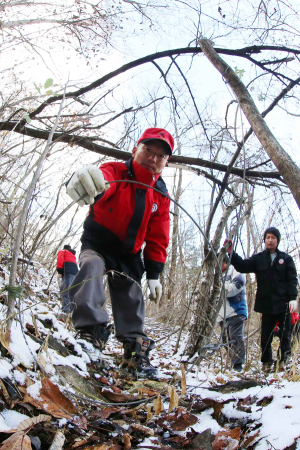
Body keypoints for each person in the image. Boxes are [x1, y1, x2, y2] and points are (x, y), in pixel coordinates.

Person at [65, 128, 174, 378]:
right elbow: (103, 183)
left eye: (160, 156)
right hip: (99, 242)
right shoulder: (116, 170)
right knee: (91, 267)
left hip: (130, 254)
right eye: (148, 150)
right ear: (135, 149)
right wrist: (88, 181)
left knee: (131, 293)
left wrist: (155, 272)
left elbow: (158, 235)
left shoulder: (162, 196)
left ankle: (135, 349)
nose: (153, 158)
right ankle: (90, 333)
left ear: (166, 162)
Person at [226, 227, 298, 372]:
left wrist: (293, 298)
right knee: (266, 337)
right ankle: (266, 363)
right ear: (264, 240)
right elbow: (243, 266)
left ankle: (283, 361)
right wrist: (231, 253)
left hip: (284, 304)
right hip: (266, 305)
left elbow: (292, 280)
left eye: (273, 238)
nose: (270, 240)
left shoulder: (286, 259)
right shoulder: (259, 259)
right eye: (268, 238)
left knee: (285, 335)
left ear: (277, 240)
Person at [217, 256, 247, 372]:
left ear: (225, 261)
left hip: (236, 311)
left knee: (235, 337)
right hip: (222, 314)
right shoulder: (216, 275)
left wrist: (218, 289)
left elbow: (235, 288)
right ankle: (231, 362)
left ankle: (238, 365)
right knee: (225, 339)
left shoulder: (236, 271)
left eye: (218, 262)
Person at [56, 244, 78, 312]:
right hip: (75, 274)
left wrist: (59, 271)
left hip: (67, 272)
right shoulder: (73, 255)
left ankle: (66, 308)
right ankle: (72, 308)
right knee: (72, 290)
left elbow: (60, 260)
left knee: (65, 290)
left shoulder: (63, 251)